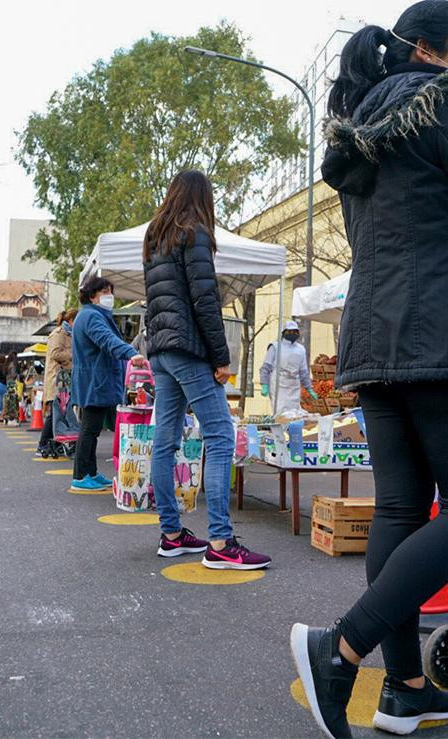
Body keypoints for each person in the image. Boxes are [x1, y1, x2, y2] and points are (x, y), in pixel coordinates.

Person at [288, 3, 448, 737]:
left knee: (402, 510)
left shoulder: (361, 136)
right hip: (446, 336)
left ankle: (405, 687)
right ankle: (340, 649)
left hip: (375, 340)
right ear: (431, 52)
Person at [143, 170, 271, 570]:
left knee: (164, 441)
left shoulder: (155, 238)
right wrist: (221, 357)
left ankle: (172, 534)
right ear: (202, 198)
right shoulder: (193, 232)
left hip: (160, 350)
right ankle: (220, 541)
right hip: (187, 348)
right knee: (219, 434)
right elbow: (204, 299)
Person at [70, 276, 146, 491]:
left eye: (110, 292)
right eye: (105, 292)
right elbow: (107, 340)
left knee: (92, 430)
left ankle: (90, 473)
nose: (109, 296)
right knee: (90, 429)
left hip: (97, 380)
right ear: (92, 295)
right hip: (96, 381)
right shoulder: (92, 317)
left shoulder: (89, 315)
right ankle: (81, 475)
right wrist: (131, 353)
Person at [38, 309, 77, 456]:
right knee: (55, 412)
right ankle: (42, 444)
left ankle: (54, 442)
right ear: (71, 319)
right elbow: (55, 353)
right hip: (57, 379)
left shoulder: (69, 334)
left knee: (60, 411)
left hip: (65, 379)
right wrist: (73, 355)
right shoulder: (59, 334)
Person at [259, 320, 317, 413]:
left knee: (294, 413)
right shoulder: (275, 347)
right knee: (280, 412)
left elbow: (303, 372)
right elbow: (266, 368)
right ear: (284, 332)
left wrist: (309, 388)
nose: (292, 333)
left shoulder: (301, 349)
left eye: (295, 331)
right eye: (289, 331)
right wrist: (264, 384)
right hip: (279, 385)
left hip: (294, 386)